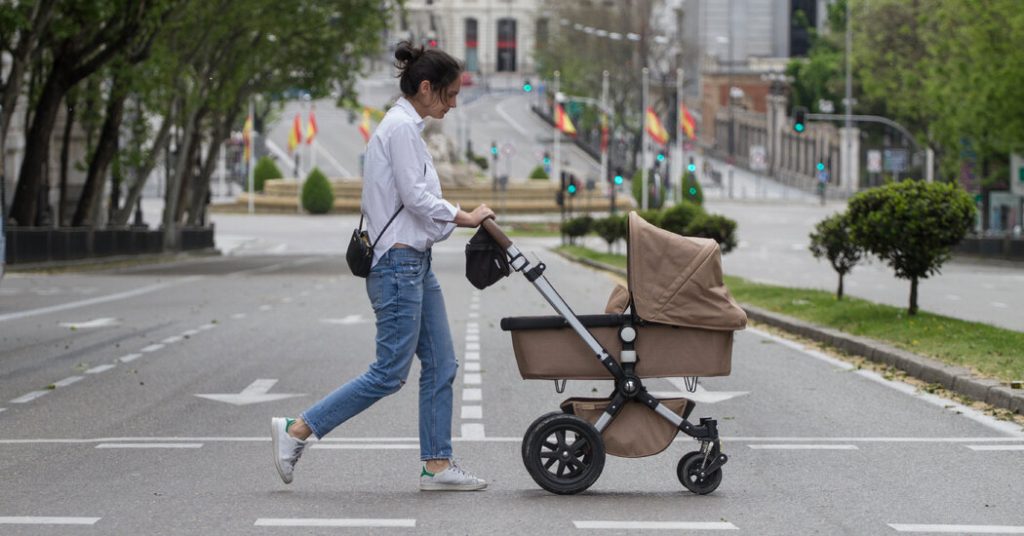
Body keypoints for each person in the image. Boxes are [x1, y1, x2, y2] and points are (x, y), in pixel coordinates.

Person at [271, 42, 493, 491]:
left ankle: (437, 465)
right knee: (389, 372)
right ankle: (298, 429)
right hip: (398, 267)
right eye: (449, 95)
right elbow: (416, 198)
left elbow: (412, 206)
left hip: (413, 263)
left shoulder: (402, 128)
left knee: (442, 363)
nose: (452, 105)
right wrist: (464, 215)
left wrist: (448, 222)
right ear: (426, 88)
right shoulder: (400, 131)